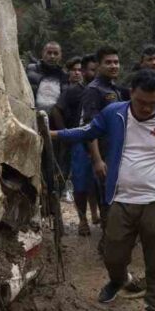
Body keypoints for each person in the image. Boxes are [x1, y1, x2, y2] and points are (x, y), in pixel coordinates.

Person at [51, 69, 155, 311]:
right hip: (120, 198)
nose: (147, 108)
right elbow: (87, 131)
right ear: (132, 94)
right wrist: (53, 134)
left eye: (153, 103)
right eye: (142, 102)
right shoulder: (115, 114)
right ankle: (118, 279)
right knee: (112, 254)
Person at [80, 46, 129, 250]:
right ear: (99, 65)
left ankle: (114, 241)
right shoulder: (94, 90)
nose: (113, 66)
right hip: (104, 153)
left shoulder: (114, 89)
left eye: (116, 62)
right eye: (108, 62)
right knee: (108, 200)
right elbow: (90, 127)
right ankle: (108, 245)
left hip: (118, 151)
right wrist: (97, 159)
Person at [53, 55, 102, 233]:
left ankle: (98, 215)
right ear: (83, 72)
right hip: (80, 142)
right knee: (80, 183)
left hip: (102, 142)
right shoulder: (74, 91)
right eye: (91, 70)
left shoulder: (105, 90)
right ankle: (82, 220)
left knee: (99, 182)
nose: (95, 73)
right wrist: (66, 134)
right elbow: (56, 110)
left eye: (97, 69)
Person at [27, 41, 68, 114]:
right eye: (49, 53)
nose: (52, 56)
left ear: (60, 56)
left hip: (55, 119)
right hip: (32, 115)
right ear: (43, 54)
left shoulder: (63, 75)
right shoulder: (32, 70)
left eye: (56, 53)